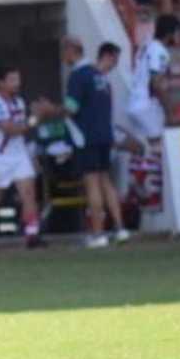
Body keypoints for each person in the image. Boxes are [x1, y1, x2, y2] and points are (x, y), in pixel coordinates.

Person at [63, 40, 128, 247]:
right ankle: (119, 229)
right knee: (106, 182)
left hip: (86, 137)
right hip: (104, 136)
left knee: (92, 184)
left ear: (70, 52)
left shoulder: (78, 76)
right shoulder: (101, 77)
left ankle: (98, 233)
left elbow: (71, 108)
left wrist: (49, 111)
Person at [0, 68, 44, 249]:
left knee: (29, 193)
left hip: (19, 154)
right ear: (1, 83)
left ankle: (32, 235)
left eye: (17, 78)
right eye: (12, 79)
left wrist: (29, 154)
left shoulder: (20, 102)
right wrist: (35, 120)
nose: (17, 83)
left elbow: (21, 132)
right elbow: (8, 129)